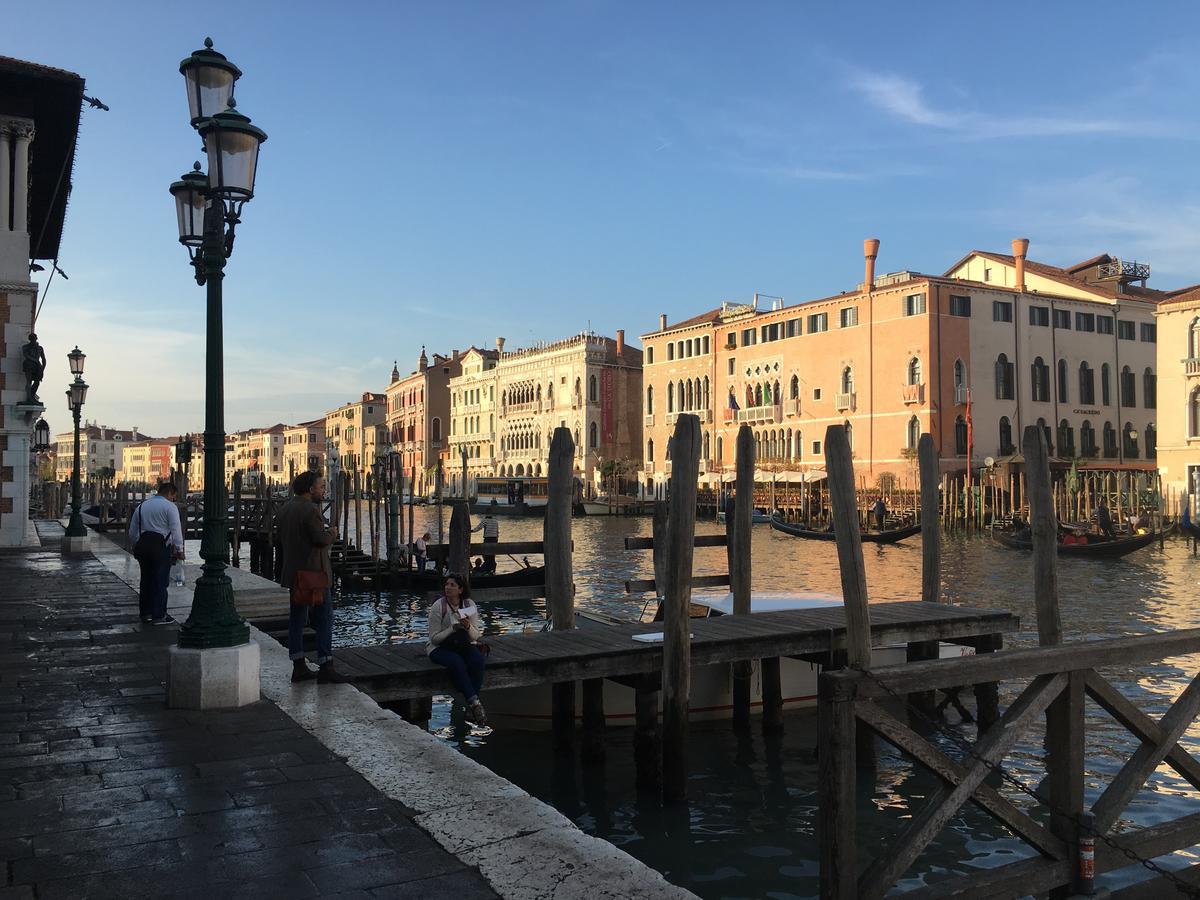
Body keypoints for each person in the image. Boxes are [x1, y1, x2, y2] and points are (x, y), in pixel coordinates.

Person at [277, 471, 348, 683]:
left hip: (293, 573)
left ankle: (298, 665)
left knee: (297, 618)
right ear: (310, 489)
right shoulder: (310, 510)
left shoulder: (285, 508)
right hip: (314, 575)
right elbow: (319, 539)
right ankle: (326, 665)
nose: (323, 490)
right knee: (324, 617)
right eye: (321, 487)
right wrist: (332, 534)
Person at [426, 573, 487, 725]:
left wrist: (466, 626)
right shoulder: (438, 606)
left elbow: (475, 636)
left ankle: (470, 708)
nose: (448, 587)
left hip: (462, 644)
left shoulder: (469, 605)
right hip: (439, 647)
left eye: (452, 585)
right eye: (447, 584)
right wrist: (452, 628)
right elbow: (434, 638)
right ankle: (474, 703)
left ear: (461, 589)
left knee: (478, 661)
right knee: (457, 662)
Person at [127, 481, 185, 625]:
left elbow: (133, 531)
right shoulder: (170, 507)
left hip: (143, 548)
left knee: (145, 580)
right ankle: (159, 615)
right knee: (160, 581)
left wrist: (135, 545)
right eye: (174, 496)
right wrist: (179, 550)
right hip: (160, 548)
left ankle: (145, 613)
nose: (173, 499)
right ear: (170, 493)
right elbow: (176, 530)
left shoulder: (141, 506)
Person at [472, 509, 499, 574]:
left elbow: (478, 528)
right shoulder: (496, 521)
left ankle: (487, 569)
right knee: (492, 556)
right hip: (494, 540)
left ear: (486, 514)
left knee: (486, 554)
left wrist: (471, 531)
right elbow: (497, 532)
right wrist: (497, 540)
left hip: (488, 539)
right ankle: (491, 570)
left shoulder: (485, 520)